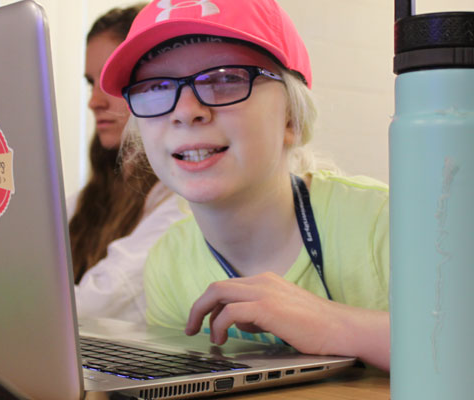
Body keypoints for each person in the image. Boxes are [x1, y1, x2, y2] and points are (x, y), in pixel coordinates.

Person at [100, 0, 390, 370]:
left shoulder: (388, 224)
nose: (186, 110)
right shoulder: (169, 261)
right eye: (156, 86)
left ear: (291, 118)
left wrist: (335, 325)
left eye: (224, 78)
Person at [68, 4, 188, 324]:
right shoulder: (94, 194)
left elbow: (94, 308)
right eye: (90, 82)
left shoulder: (183, 199)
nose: (94, 101)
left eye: (110, 80)